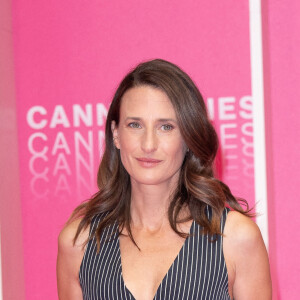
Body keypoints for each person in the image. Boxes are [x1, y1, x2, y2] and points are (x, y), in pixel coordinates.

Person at [57, 59, 272, 300]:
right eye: (135, 125)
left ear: (188, 138)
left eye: (166, 127)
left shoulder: (234, 239)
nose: (148, 145)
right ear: (116, 134)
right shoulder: (79, 242)